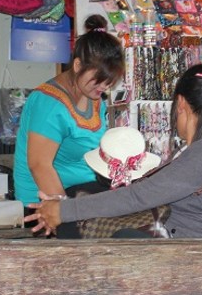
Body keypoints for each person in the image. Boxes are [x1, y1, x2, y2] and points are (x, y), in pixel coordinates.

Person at [25, 64, 202, 238]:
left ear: (181, 103)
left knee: (82, 227)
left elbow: (139, 197)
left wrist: (63, 211)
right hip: (183, 241)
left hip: (196, 252)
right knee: (80, 200)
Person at [15, 16, 125, 237]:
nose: (104, 87)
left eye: (109, 82)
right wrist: (64, 212)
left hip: (81, 191)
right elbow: (39, 165)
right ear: (77, 66)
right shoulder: (50, 104)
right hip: (45, 200)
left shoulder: (93, 96)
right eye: (100, 80)